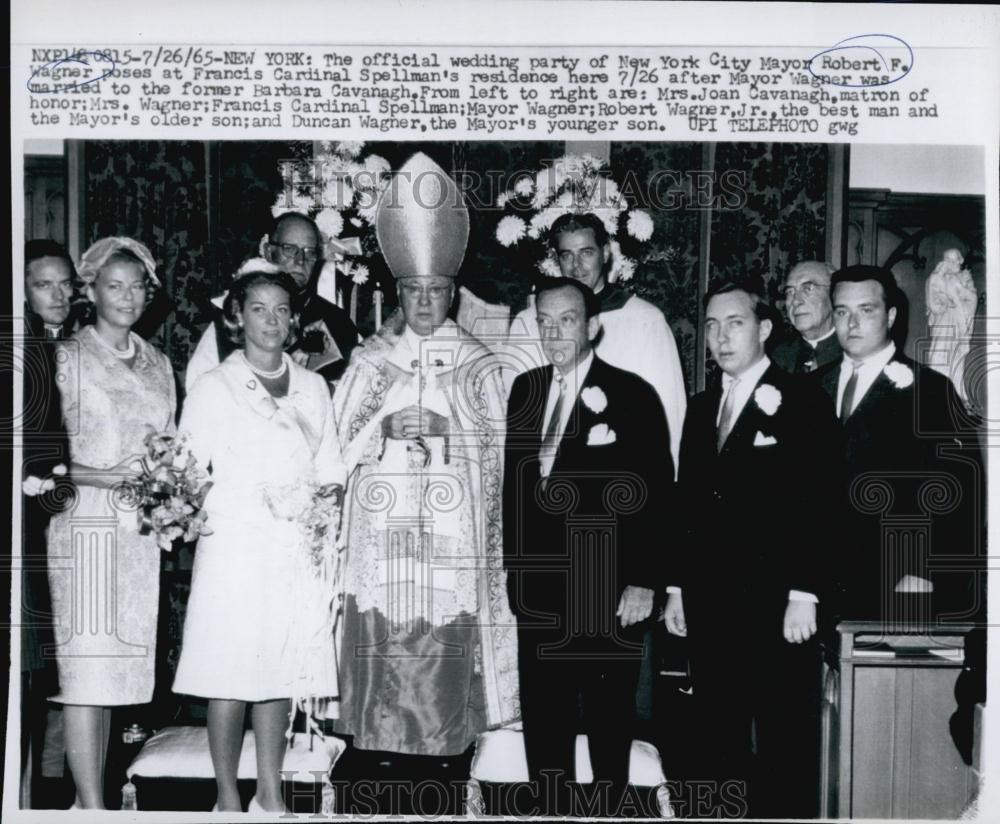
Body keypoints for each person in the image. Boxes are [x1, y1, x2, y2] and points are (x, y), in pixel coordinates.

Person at [332, 153, 518, 804]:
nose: (424, 302)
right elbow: (334, 447)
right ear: (398, 292)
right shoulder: (370, 361)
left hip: (446, 548)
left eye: (435, 292)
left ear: (452, 292)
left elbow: (499, 455)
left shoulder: (479, 364)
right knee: (383, 659)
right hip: (383, 549)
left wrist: (448, 436)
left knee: (437, 660)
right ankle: (375, 775)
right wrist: (382, 432)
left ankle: (440, 772)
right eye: (413, 292)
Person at [663, 278, 842, 818]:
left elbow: (820, 501)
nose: (721, 336)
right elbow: (686, 505)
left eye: (734, 323)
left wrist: (805, 592)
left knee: (783, 734)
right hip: (710, 599)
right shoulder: (699, 409)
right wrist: (676, 588)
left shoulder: (803, 399)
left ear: (764, 328)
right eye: (712, 326)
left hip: (776, 602)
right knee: (717, 731)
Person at [173, 264, 347, 814]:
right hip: (233, 549)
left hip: (293, 551)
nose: (271, 320)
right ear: (236, 318)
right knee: (229, 671)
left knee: (278, 669)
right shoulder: (212, 387)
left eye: (281, 310)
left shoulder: (314, 385)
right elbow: (184, 472)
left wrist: (321, 512)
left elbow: (331, 470)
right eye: (258, 309)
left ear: (295, 321)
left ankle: (269, 794)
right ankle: (228, 798)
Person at [504, 277, 671, 816]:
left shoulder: (632, 394)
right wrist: (515, 573)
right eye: (544, 322)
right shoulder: (525, 391)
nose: (554, 333)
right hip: (539, 589)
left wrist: (645, 579)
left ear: (593, 325)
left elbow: (655, 493)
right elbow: (514, 491)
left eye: (567, 320)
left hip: (607, 587)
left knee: (607, 725)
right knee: (545, 725)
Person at [46, 237, 176, 810]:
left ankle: (89, 801)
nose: (127, 297)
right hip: (84, 527)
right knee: (84, 673)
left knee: (115, 675)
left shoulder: (160, 363)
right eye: (114, 285)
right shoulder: (66, 357)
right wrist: (103, 475)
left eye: (137, 286)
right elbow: (35, 459)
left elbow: (169, 448)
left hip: (139, 536)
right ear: (91, 291)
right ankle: (92, 807)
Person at [818, 265, 982, 620]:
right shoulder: (811, 388)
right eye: (842, 312)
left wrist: (926, 571)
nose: (852, 323)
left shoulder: (931, 390)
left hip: (895, 581)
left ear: (891, 315)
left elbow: (960, 488)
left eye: (867, 310)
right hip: (815, 585)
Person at [508, 212, 686, 472]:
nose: (576, 266)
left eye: (586, 253)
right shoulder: (528, 322)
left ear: (605, 253)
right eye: (567, 255)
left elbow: (670, 412)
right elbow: (516, 419)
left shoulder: (644, 321)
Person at [185, 212, 360, 391]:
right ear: (269, 251)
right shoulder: (233, 318)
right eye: (289, 249)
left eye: (310, 252)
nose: (300, 261)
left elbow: (355, 393)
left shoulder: (337, 321)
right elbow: (198, 390)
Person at [20, 239, 74, 805]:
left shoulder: (69, 345)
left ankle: (43, 792)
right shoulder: (22, 348)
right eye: (44, 285)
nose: (58, 295)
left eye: (65, 284)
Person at [771, 260, 842, 374]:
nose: (796, 301)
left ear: (834, 294)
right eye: (790, 291)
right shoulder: (778, 357)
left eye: (808, 288)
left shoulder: (856, 354)